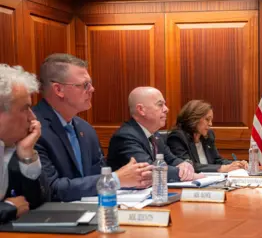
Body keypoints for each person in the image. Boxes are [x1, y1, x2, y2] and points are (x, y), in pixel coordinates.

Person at [33, 54, 152, 202]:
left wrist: (133, 179)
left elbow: (99, 175)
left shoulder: (86, 129)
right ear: (58, 89)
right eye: (85, 85)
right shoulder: (33, 129)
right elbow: (52, 189)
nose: (93, 89)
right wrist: (115, 179)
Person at [107, 87, 202, 182]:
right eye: (160, 104)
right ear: (141, 110)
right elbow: (148, 170)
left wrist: (184, 164)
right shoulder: (125, 136)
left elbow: (171, 159)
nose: (166, 109)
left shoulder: (155, 135)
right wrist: (184, 173)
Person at [0, 65, 49, 223]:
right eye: (25, 108)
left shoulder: (11, 147)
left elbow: (36, 203)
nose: (32, 117)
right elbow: (16, 207)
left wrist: (27, 155)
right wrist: (8, 208)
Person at [167, 100, 248, 173]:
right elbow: (188, 166)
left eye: (211, 120)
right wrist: (221, 168)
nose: (210, 124)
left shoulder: (208, 135)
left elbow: (217, 160)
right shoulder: (177, 138)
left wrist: (236, 164)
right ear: (194, 119)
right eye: (207, 119)